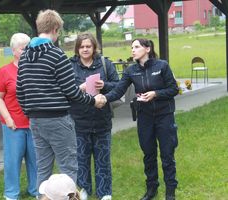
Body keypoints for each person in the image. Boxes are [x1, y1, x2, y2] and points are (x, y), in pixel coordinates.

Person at [16, 9, 104, 194]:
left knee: (43, 169)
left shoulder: (23, 57)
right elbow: (72, 92)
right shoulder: (57, 55)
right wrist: (93, 101)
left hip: (36, 121)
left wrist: (32, 112)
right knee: (68, 168)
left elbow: (21, 92)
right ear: (56, 28)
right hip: (58, 120)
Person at [102, 38, 179, 200]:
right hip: (145, 118)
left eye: (136, 47)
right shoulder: (131, 71)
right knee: (148, 154)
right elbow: (118, 91)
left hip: (164, 116)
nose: (133, 50)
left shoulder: (162, 66)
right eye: (132, 47)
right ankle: (152, 189)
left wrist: (155, 94)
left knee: (167, 154)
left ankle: (170, 191)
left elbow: (173, 89)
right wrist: (103, 98)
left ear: (147, 49)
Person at [69, 32, 119, 200]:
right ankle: (83, 192)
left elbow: (118, 86)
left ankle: (104, 193)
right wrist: (81, 88)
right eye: (82, 46)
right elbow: (65, 91)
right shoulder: (70, 65)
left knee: (103, 159)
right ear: (77, 48)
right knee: (81, 160)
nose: (85, 49)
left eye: (88, 46)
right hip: (78, 122)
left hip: (102, 121)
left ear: (94, 47)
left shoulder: (105, 64)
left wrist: (104, 85)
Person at [0, 33, 38, 200]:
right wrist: (8, 118)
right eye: (23, 48)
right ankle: (11, 194)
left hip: (34, 123)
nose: (27, 51)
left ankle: (36, 190)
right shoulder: (5, 71)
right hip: (13, 124)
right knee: (13, 161)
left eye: (29, 47)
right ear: (13, 50)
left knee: (36, 160)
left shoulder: (36, 69)